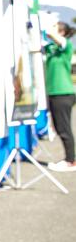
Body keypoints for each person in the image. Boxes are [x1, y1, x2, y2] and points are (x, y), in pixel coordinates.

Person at [45, 21, 75, 172]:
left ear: (61, 32)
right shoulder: (51, 47)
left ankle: (71, 161)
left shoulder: (66, 45)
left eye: (55, 26)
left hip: (63, 93)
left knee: (64, 128)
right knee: (58, 127)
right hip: (53, 93)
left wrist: (48, 28)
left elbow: (51, 34)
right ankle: (69, 159)